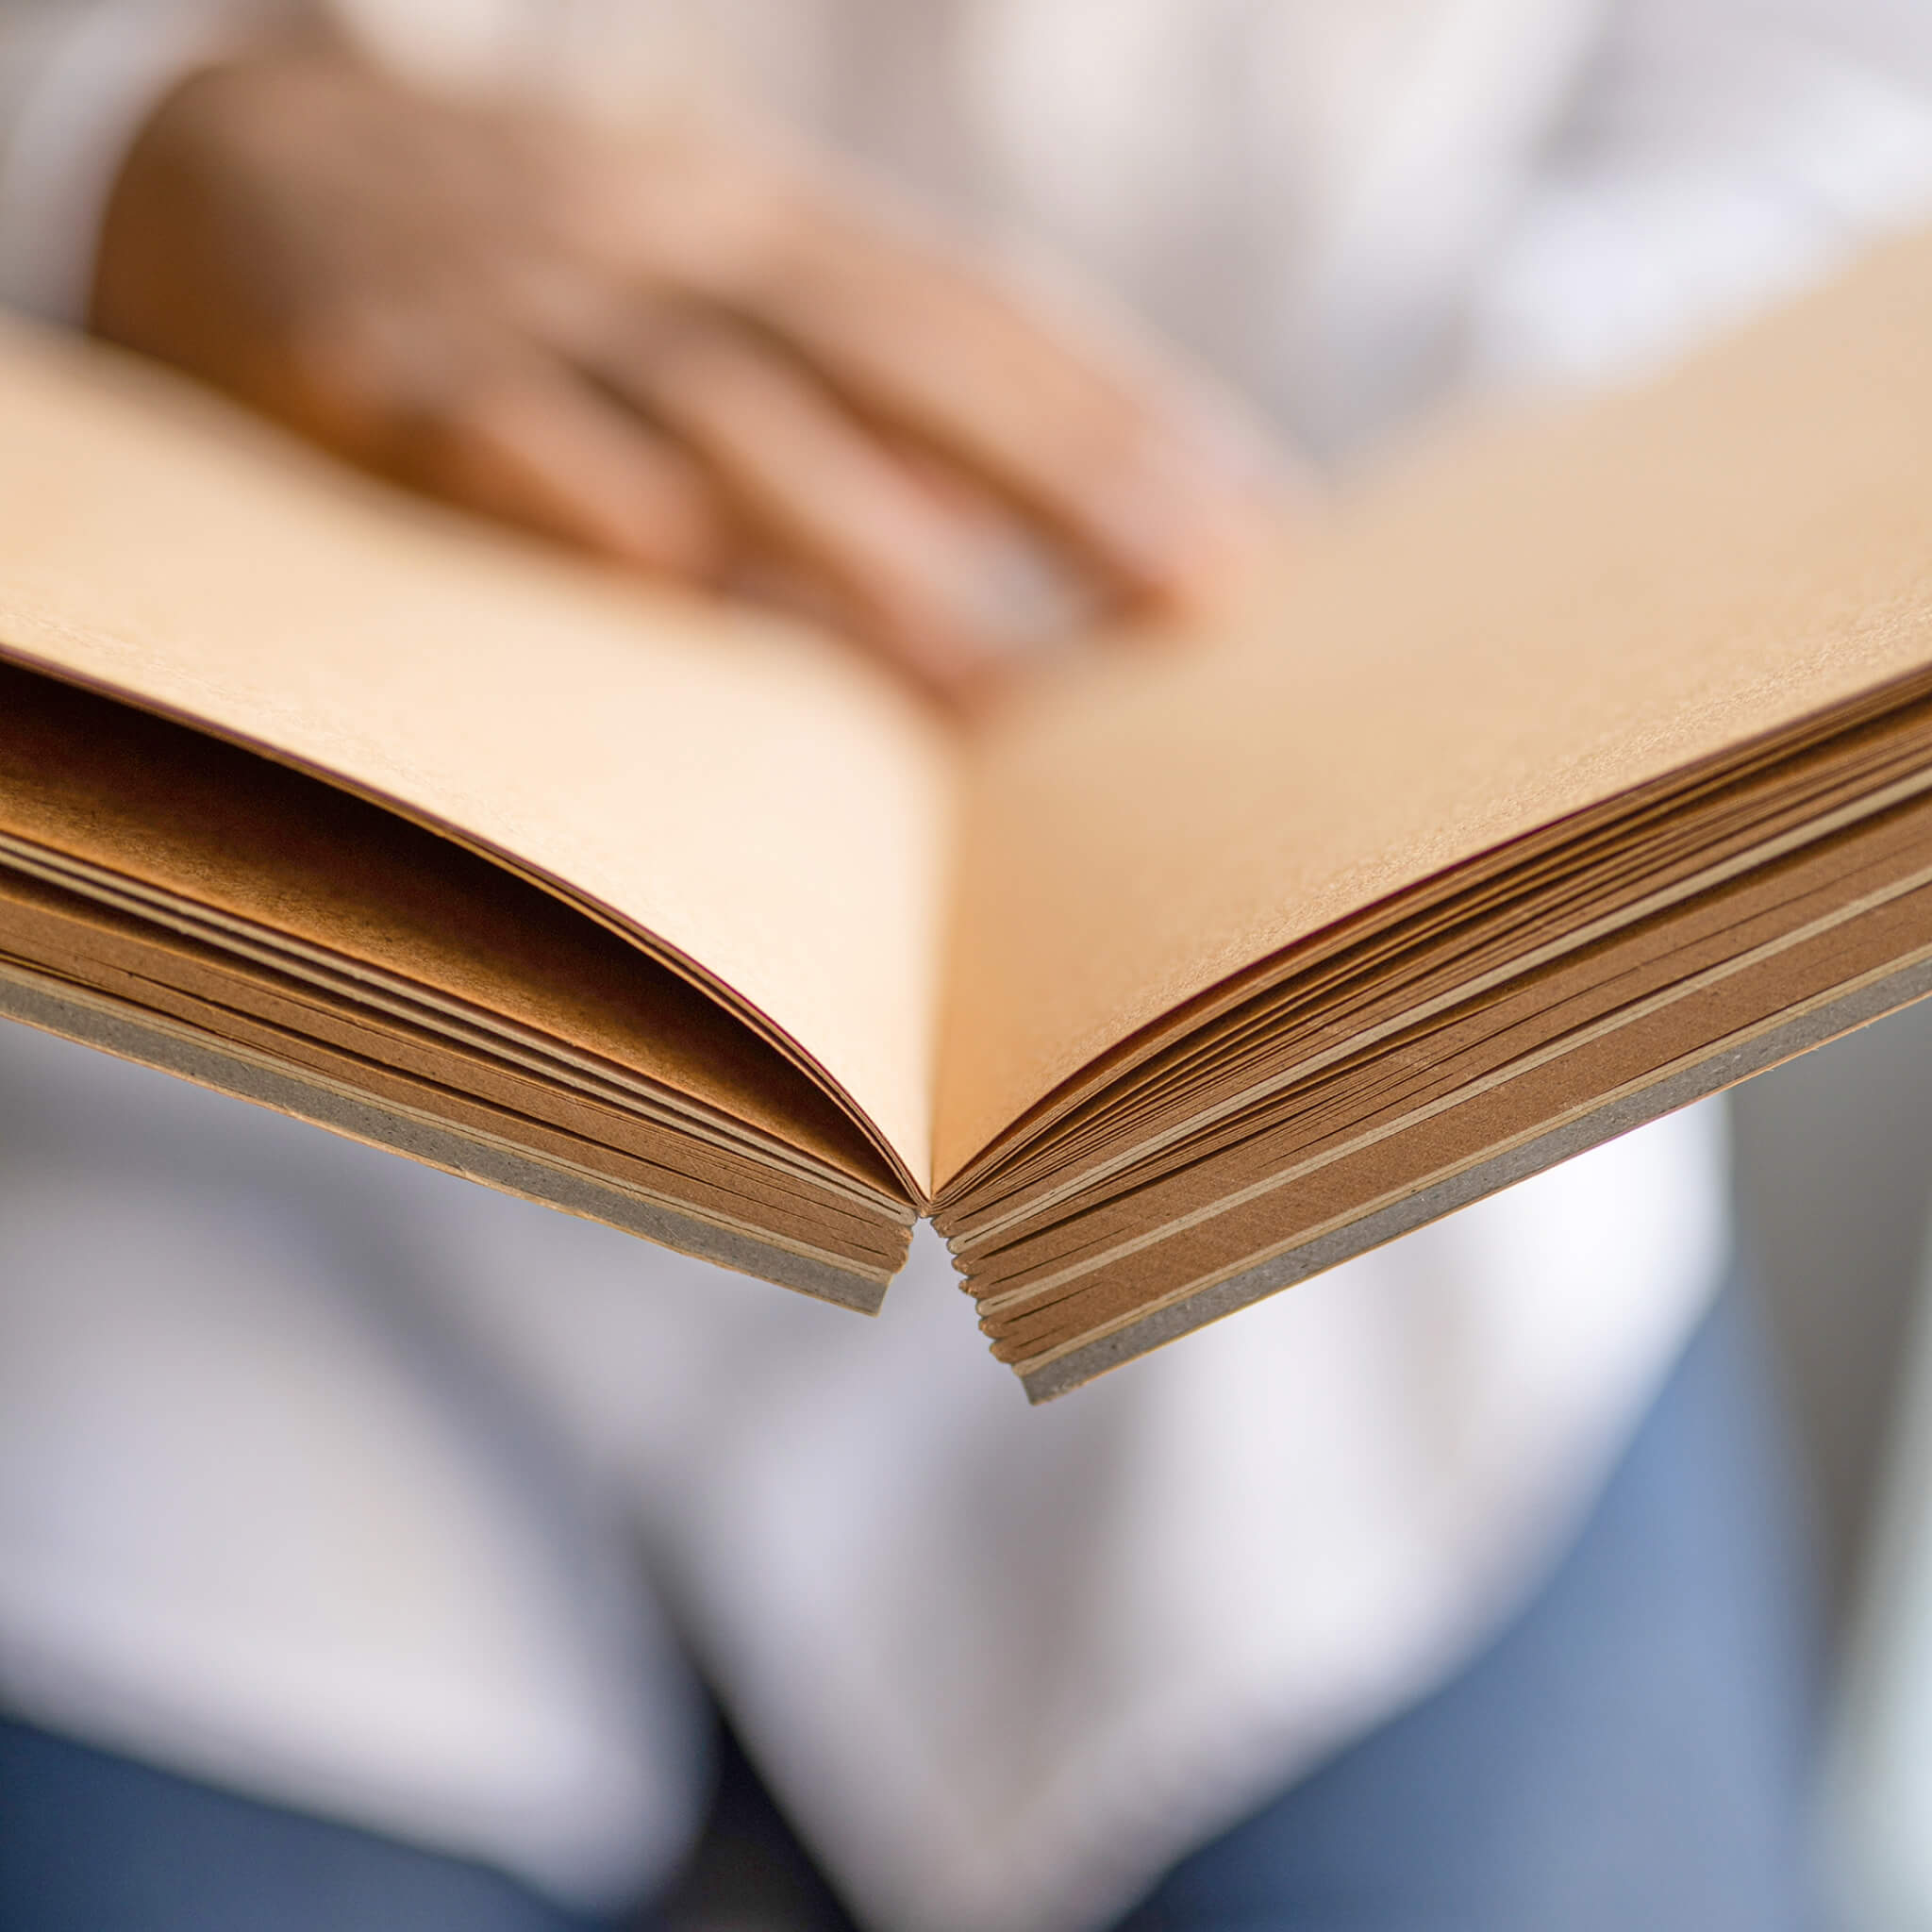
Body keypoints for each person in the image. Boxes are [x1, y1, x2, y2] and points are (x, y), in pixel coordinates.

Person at [2, 2, 1929, 1926]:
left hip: (1334, 1216)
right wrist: (115, 144)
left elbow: (1828, 117)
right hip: (236, 1069)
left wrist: (1472, 572)